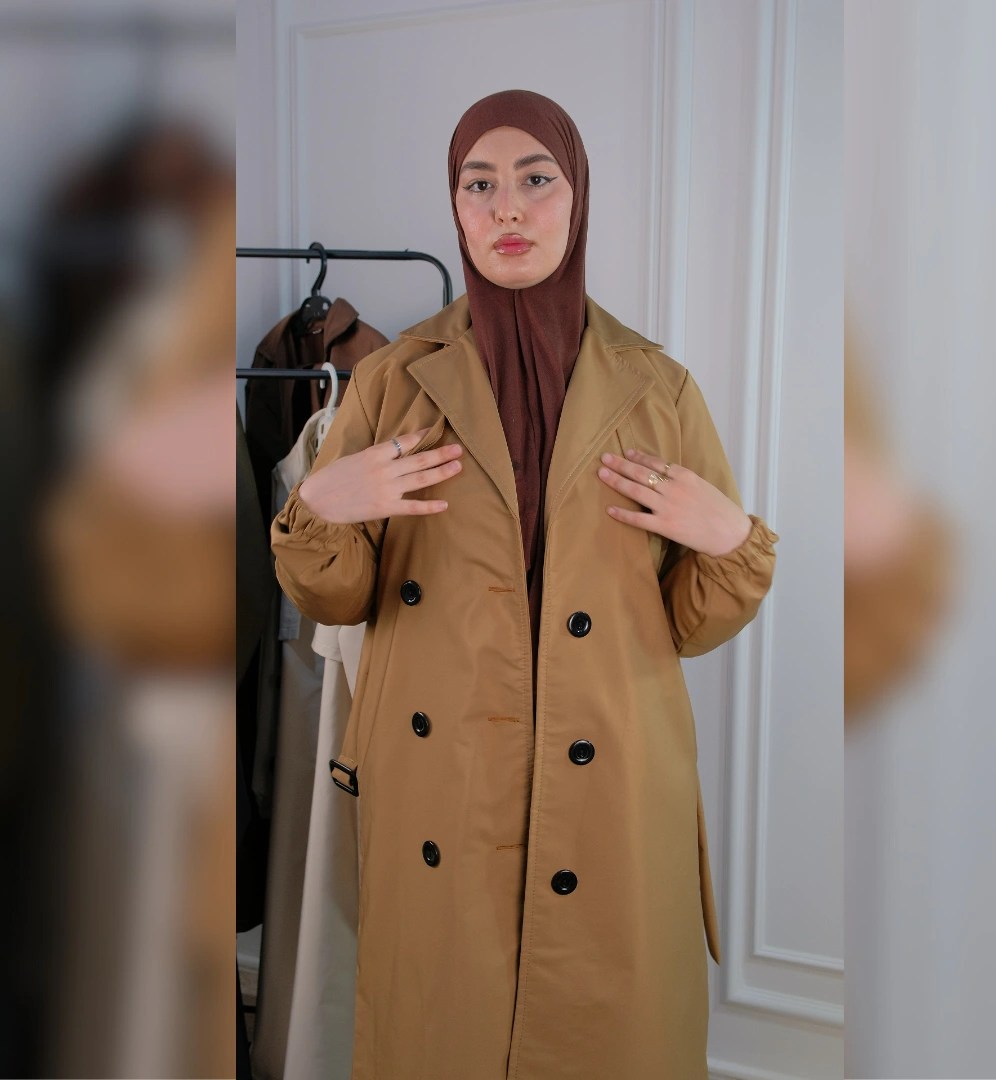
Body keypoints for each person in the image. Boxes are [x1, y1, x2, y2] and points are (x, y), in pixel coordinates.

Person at [270, 89, 779, 1080]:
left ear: (577, 195)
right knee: (440, 1033)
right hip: (444, 781)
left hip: (611, 779)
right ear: (456, 208)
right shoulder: (390, 381)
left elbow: (687, 625)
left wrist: (734, 544)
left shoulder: (660, 388)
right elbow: (339, 602)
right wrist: (318, 509)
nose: (508, 207)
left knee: (606, 1034)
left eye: (536, 179)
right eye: (480, 184)